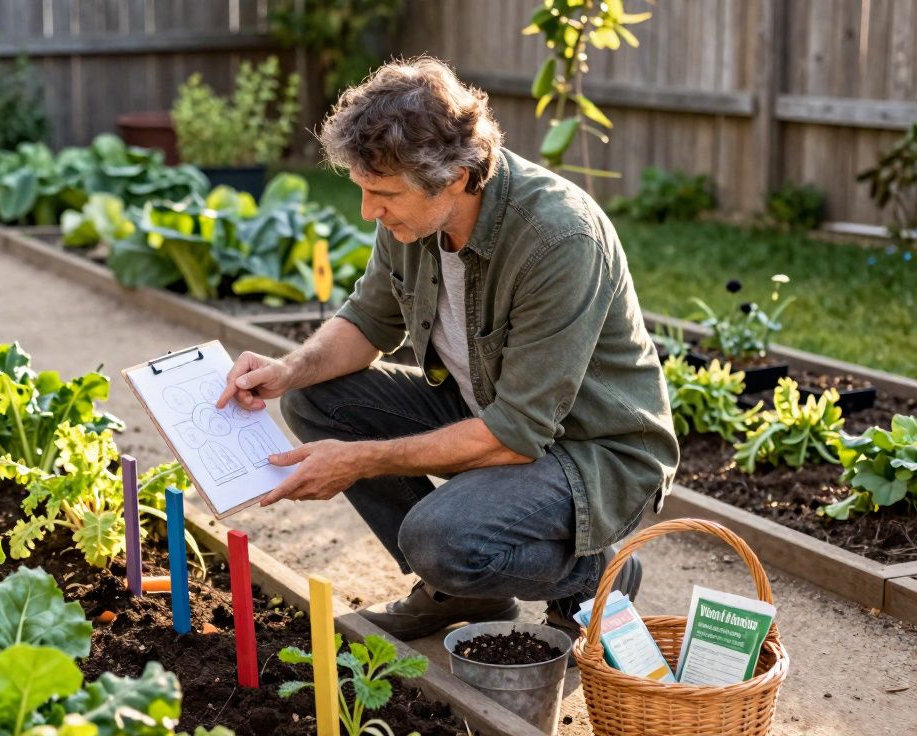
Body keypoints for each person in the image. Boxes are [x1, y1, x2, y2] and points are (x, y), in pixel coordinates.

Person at [214, 57, 679, 641]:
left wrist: (360, 460)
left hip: (593, 451)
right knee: (313, 399)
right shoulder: (414, 219)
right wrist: (289, 369)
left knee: (438, 538)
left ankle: (594, 571)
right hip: (494, 413)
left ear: (456, 177)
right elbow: (367, 321)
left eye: (383, 194)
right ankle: (465, 595)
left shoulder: (560, 238)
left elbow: (516, 433)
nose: (368, 211)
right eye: (363, 189)